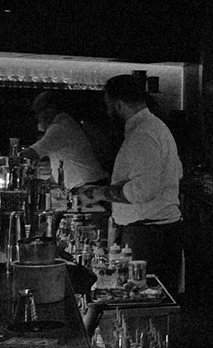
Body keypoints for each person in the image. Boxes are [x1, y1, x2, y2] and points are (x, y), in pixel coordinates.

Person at [74, 75, 184, 293]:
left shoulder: (143, 134)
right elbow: (177, 172)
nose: (107, 112)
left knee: (144, 302)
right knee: (153, 300)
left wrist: (99, 193)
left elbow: (141, 191)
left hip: (149, 236)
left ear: (118, 105)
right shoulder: (152, 127)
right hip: (155, 231)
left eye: (108, 105)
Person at [19, 91, 108, 189]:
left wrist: (10, 158)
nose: (38, 117)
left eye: (39, 111)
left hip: (88, 186)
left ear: (51, 108)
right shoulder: (65, 122)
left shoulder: (59, 128)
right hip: (88, 184)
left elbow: (31, 153)